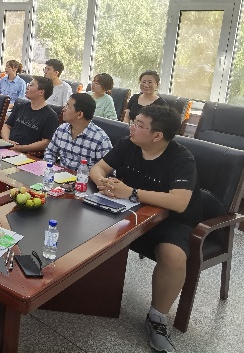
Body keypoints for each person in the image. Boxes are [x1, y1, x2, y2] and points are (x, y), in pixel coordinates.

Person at [91, 106, 200, 353]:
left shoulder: (181, 158)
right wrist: (104, 183)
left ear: (157, 135)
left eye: (139, 125)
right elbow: (98, 168)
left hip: (169, 220)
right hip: (131, 211)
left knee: (173, 256)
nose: (132, 127)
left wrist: (131, 192)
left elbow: (179, 202)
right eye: (134, 121)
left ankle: (157, 319)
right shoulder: (128, 143)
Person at [44, 93, 112, 170]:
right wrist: (50, 167)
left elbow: (107, 171)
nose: (63, 109)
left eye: (68, 107)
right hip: (59, 174)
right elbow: (50, 152)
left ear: (80, 114)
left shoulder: (100, 139)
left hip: (83, 177)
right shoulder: (62, 129)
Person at [1, 76, 59, 153]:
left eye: (31, 85)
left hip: (28, 153)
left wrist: (21, 148)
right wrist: (7, 141)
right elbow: (6, 126)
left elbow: (46, 142)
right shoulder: (20, 106)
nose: (27, 87)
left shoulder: (51, 116)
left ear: (41, 92)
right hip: (8, 147)